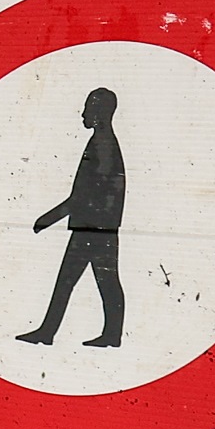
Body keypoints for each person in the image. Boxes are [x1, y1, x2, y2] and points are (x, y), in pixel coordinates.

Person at [18, 87, 128, 348]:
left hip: (93, 229)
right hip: (97, 228)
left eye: (88, 109)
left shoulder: (103, 145)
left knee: (82, 281)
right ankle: (106, 335)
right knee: (101, 281)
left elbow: (84, 196)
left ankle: (51, 332)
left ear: (100, 113)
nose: (83, 114)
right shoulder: (103, 142)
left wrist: (48, 218)